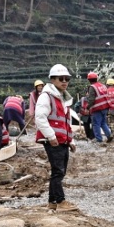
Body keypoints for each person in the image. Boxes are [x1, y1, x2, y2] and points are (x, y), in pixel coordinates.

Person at [34, 65, 77, 210]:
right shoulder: (46, 97)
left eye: (67, 79)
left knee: (59, 170)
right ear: (52, 80)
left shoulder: (63, 98)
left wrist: (70, 139)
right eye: (61, 79)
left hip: (61, 140)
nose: (64, 81)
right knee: (58, 170)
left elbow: (66, 122)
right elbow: (40, 118)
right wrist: (51, 136)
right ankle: (60, 201)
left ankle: (52, 202)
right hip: (53, 140)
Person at [83, 71, 104, 142]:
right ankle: (90, 137)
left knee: (95, 125)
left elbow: (92, 100)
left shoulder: (92, 88)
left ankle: (96, 138)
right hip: (88, 115)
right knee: (89, 126)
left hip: (94, 111)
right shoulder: (101, 86)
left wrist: (87, 108)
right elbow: (77, 105)